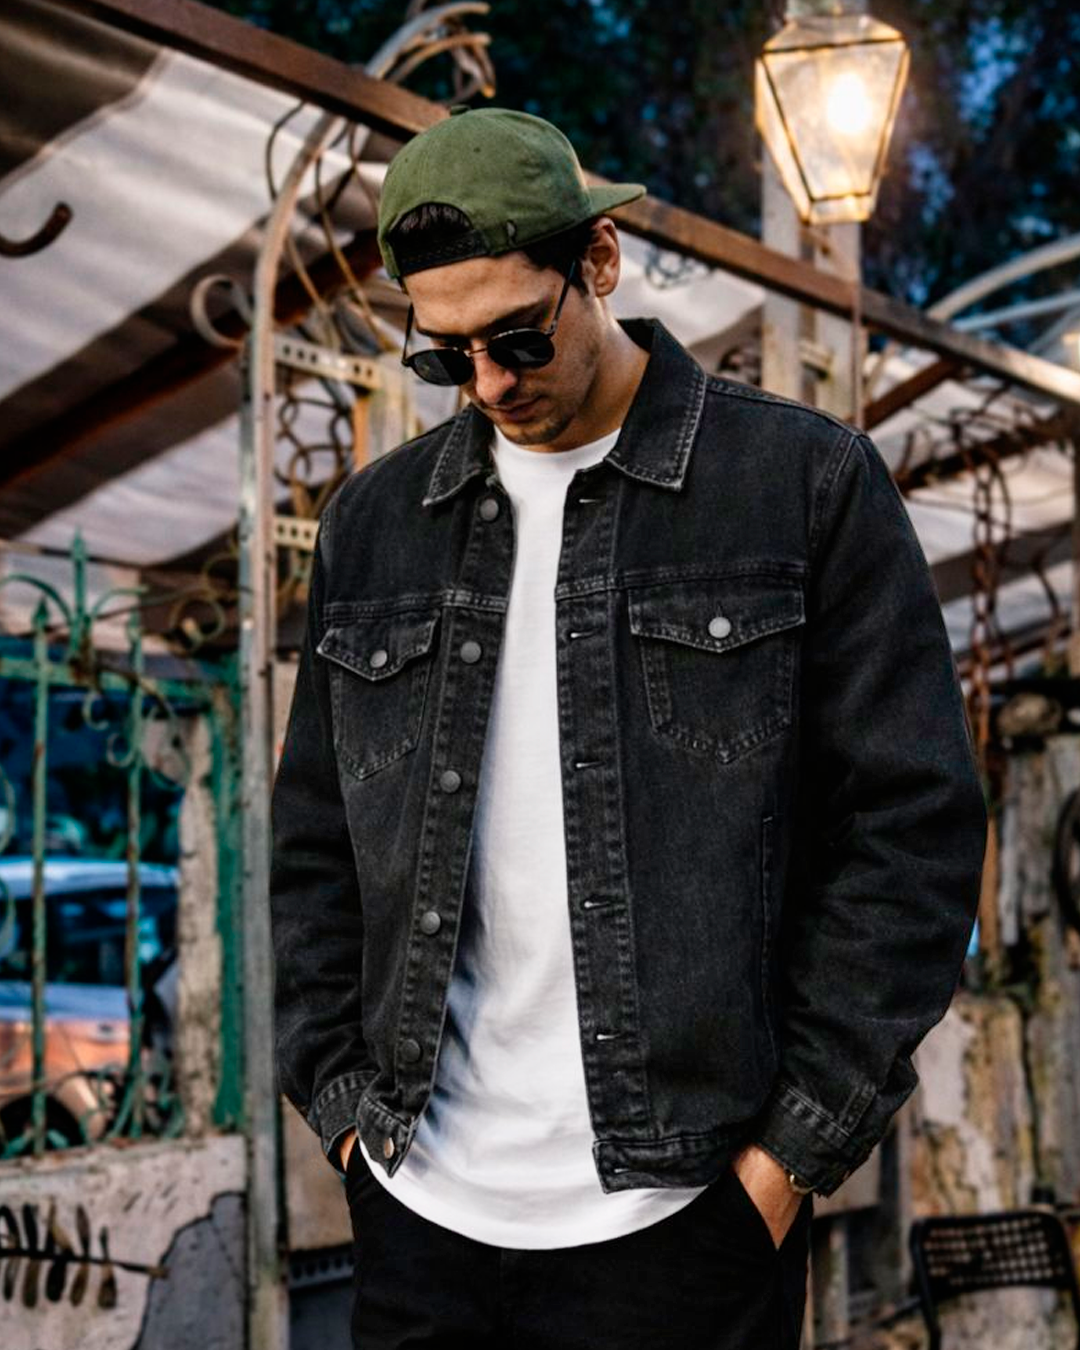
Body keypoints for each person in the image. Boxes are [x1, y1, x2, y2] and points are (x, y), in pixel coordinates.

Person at [270, 107, 987, 1350]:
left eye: (517, 338)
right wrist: (343, 1117)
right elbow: (312, 848)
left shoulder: (799, 487)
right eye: (446, 356)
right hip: (421, 1214)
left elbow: (912, 836)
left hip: (686, 1222)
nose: (489, 386)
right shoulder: (375, 528)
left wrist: (783, 1167)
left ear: (599, 261)